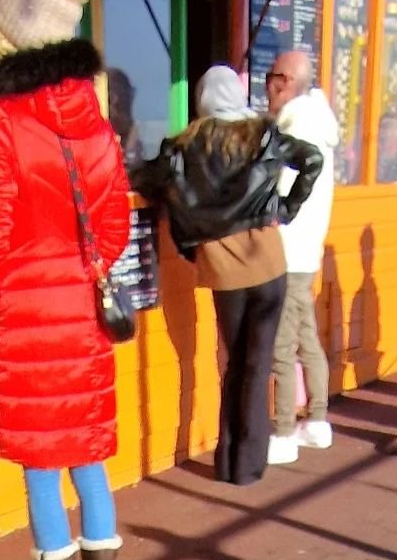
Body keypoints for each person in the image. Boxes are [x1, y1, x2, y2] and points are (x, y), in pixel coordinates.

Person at [0, 0, 130, 560]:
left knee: (40, 466)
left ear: (8, 36)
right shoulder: (93, 122)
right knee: (87, 457)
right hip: (82, 312)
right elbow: (117, 223)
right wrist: (88, 266)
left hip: (22, 311)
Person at [135, 67, 322, 485]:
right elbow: (313, 159)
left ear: (202, 99)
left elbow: (142, 178)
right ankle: (246, 466)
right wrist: (285, 209)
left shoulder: (182, 146)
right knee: (256, 366)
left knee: (234, 364)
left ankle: (228, 458)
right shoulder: (263, 134)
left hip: (222, 268)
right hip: (269, 261)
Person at [264, 50, 338, 466]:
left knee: (282, 344)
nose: (267, 89)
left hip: (289, 250)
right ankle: (318, 420)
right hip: (307, 249)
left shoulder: (295, 132)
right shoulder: (320, 125)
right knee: (306, 336)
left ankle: (284, 431)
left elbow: (279, 196)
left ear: (285, 82)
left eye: (271, 79)